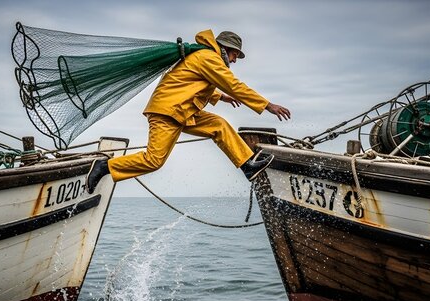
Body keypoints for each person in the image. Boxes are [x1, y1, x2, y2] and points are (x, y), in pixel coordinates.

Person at [86, 29, 291, 193]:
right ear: (225, 48)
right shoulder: (208, 58)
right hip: (168, 112)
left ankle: (247, 166)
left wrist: (220, 97)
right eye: (235, 54)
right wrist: (267, 105)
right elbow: (233, 84)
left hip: (182, 111)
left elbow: (189, 83)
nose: (235, 60)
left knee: (218, 125)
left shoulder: (205, 59)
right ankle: (105, 167)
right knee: (154, 161)